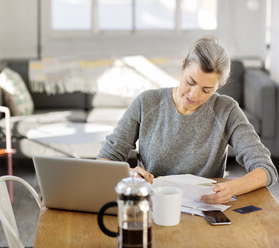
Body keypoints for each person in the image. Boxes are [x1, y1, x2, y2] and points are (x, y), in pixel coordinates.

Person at [98, 36, 278, 204]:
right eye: (190, 82)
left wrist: (232, 188)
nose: (194, 94)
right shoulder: (146, 103)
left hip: (204, 207)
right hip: (153, 204)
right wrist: (129, 173)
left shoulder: (226, 110)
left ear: (219, 86)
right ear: (183, 66)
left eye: (206, 90)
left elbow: (265, 169)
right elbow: (105, 159)